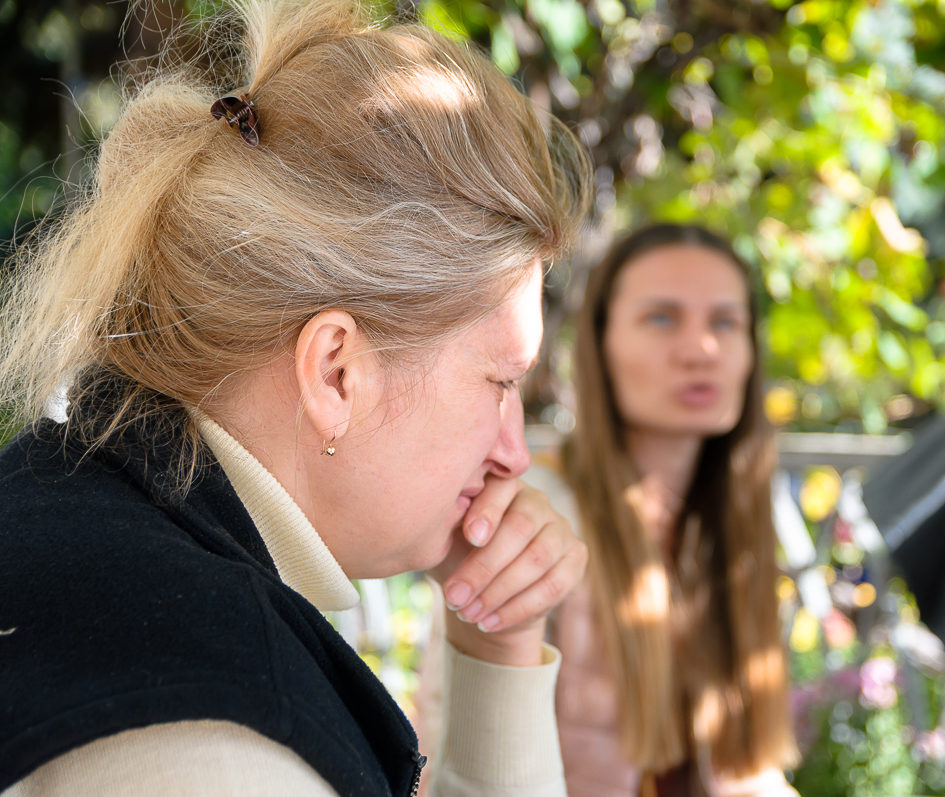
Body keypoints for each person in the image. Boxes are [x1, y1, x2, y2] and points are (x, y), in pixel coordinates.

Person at [0, 1, 593, 795]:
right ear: (337, 372)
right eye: (501, 382)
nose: (513, 453)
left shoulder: (70, 502)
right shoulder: (213, 739)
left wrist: (500, 643)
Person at [418, 224, 801, 797]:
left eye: (725, 322)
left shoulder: (732, 521)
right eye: (662, 318)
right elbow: (456, 754)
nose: (702, 349)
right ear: (600, 346)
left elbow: (745, 772)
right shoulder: (537, 514)